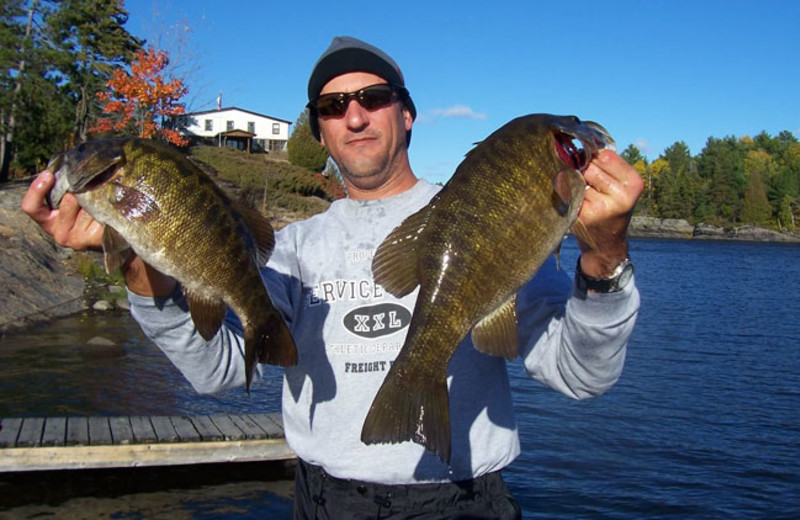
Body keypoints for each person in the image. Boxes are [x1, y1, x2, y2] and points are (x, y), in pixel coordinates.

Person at [22, 36, 643, 519]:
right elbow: (214, 374)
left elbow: (582, 376)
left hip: (463, 500)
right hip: (323, 502)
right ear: (318, 130)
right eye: (332, 106)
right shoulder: (290, 252)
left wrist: (604, 257)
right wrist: (133, 260)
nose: (355, 116)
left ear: (407, 115)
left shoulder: (489, 222)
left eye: (374, 98)